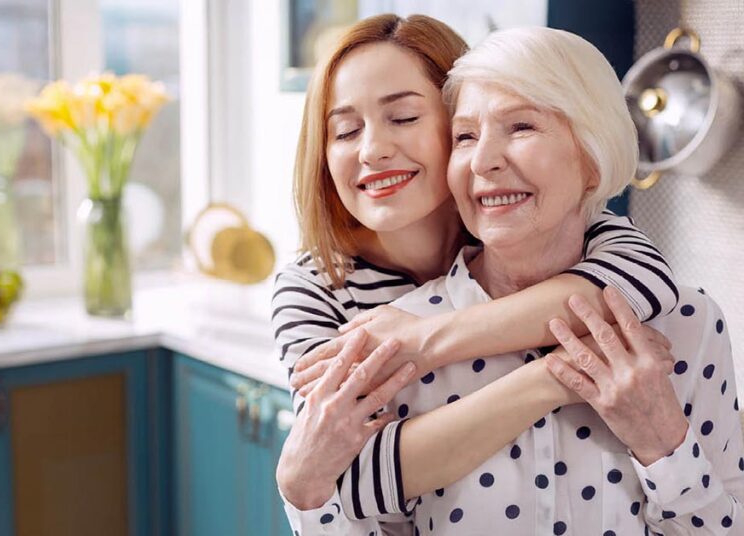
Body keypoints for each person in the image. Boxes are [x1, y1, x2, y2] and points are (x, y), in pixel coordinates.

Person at [289, 24, 743, 535]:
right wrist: (301, 482)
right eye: (465, 136)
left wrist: (663, 443)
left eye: (521, 127)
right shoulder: (381, 345)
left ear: (593, 159)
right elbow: (339, 488)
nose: (484, 160)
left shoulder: (686, 323)